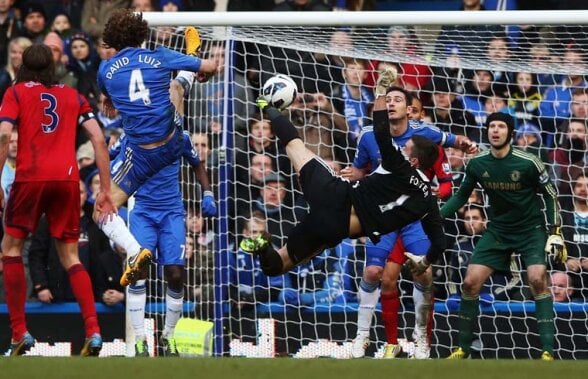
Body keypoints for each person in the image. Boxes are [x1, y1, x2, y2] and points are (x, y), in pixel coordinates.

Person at [240, 90, 440, 289]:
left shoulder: (399, 165)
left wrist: (380, 92)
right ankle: (264, 249)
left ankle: (268, 107)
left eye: (406, 148)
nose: (402, 147)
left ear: (414, 161)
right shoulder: (428, 202)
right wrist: (424, 262)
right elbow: (440, 243)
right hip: (335, 226)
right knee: (277, 266)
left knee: (294, 145)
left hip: (332, 191)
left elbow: (380, 129)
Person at [0, 44, 116, 356]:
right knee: (70, 257)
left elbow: (3, 134)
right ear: (53, 67)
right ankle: (93, 331)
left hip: (30, 178)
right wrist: (105, 188)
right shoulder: (72, 94)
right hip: (67, 179)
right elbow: (98, 139)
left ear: (23, 65)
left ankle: (19, 333)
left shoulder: (15, 92)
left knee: (10, 249)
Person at [96, 9, 217, 287]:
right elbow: (211, 67)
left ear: (111, 39)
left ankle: (134, 250)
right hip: (171, 142)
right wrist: (203, 71)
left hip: (140, 154)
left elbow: (109, 96)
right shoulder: (160, 55)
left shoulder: (105, 69)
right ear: (141, 34)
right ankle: (190, 59)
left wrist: (110, 100)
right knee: (175, 89)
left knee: (102, 208)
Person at [441, 112, 566, 361]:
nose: (495, 130)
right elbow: (461, 196)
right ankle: (463, 348)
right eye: (491, 126)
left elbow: (551, 195)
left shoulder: (528, 162)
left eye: (501, 126)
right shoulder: (477, 163)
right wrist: (435, 216)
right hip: (498, 231)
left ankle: (548, 352)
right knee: (469, 283)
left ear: (510, 133)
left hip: (530, 230)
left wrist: (555, 233)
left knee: (537, 279)